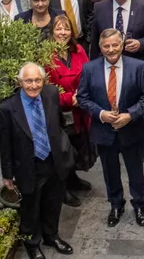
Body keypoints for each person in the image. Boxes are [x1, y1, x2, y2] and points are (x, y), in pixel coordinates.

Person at [77, 28, 144, 227]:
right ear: (100, 48)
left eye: (115, 45)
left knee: (135, 171)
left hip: (132, 130)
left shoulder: (138, 67)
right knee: (110, 172)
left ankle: (139, 204)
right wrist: (101, 114)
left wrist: (130, 115)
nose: (111, 50)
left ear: (122, 45)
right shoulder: (89, 69)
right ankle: (116, 204)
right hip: (104, 132)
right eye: (106, 46)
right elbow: (83, 99)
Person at [0, 63, 74, 258]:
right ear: (20, 82)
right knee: (30, 207)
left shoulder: (51, 93)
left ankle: (52, 235)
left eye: (37, 80)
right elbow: (5, 144)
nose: (33, 85)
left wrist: (63, 147)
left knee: (54, 201)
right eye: (28, 81)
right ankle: (32, 244)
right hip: (28, 166)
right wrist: (7, 174)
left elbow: (59, 122)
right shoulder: (7, 108)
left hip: (54, 160)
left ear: (43, 80)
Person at [45, 14, 94, 206]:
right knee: (63, 152)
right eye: (58, 29)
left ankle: (73, 179)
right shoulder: (45, 55)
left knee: (78, 146)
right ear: (51, 32)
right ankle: (62, 189)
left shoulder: (79, 49)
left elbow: (88, 73)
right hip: (60, 113)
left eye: (66, 29)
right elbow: (45, 88)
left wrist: (81, 95)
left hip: (80, 110)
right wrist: (68, 99)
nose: (62, 33)